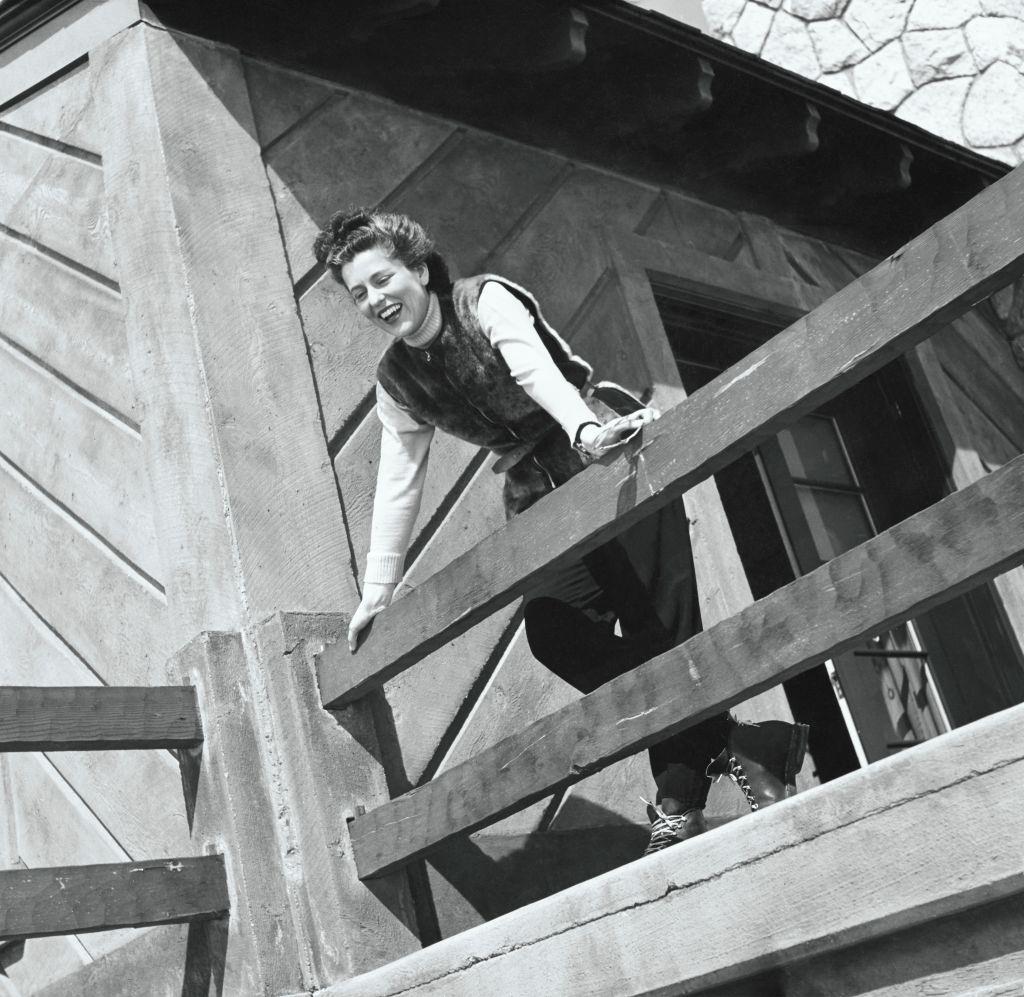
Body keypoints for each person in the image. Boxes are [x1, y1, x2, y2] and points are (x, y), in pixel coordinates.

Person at [314, 207, 808, 855]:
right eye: (359, 293)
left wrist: (583, 430)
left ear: (418, 267)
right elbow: (398, 479)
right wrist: (378, 591)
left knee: (663, 628)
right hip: (537, 495)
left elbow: (533, 370)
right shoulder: (398, 380)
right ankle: (743, 739)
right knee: (554, 632)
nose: (375, 299)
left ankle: (677, 806)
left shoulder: (481, 300)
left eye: (382, 279)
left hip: (615, 458)